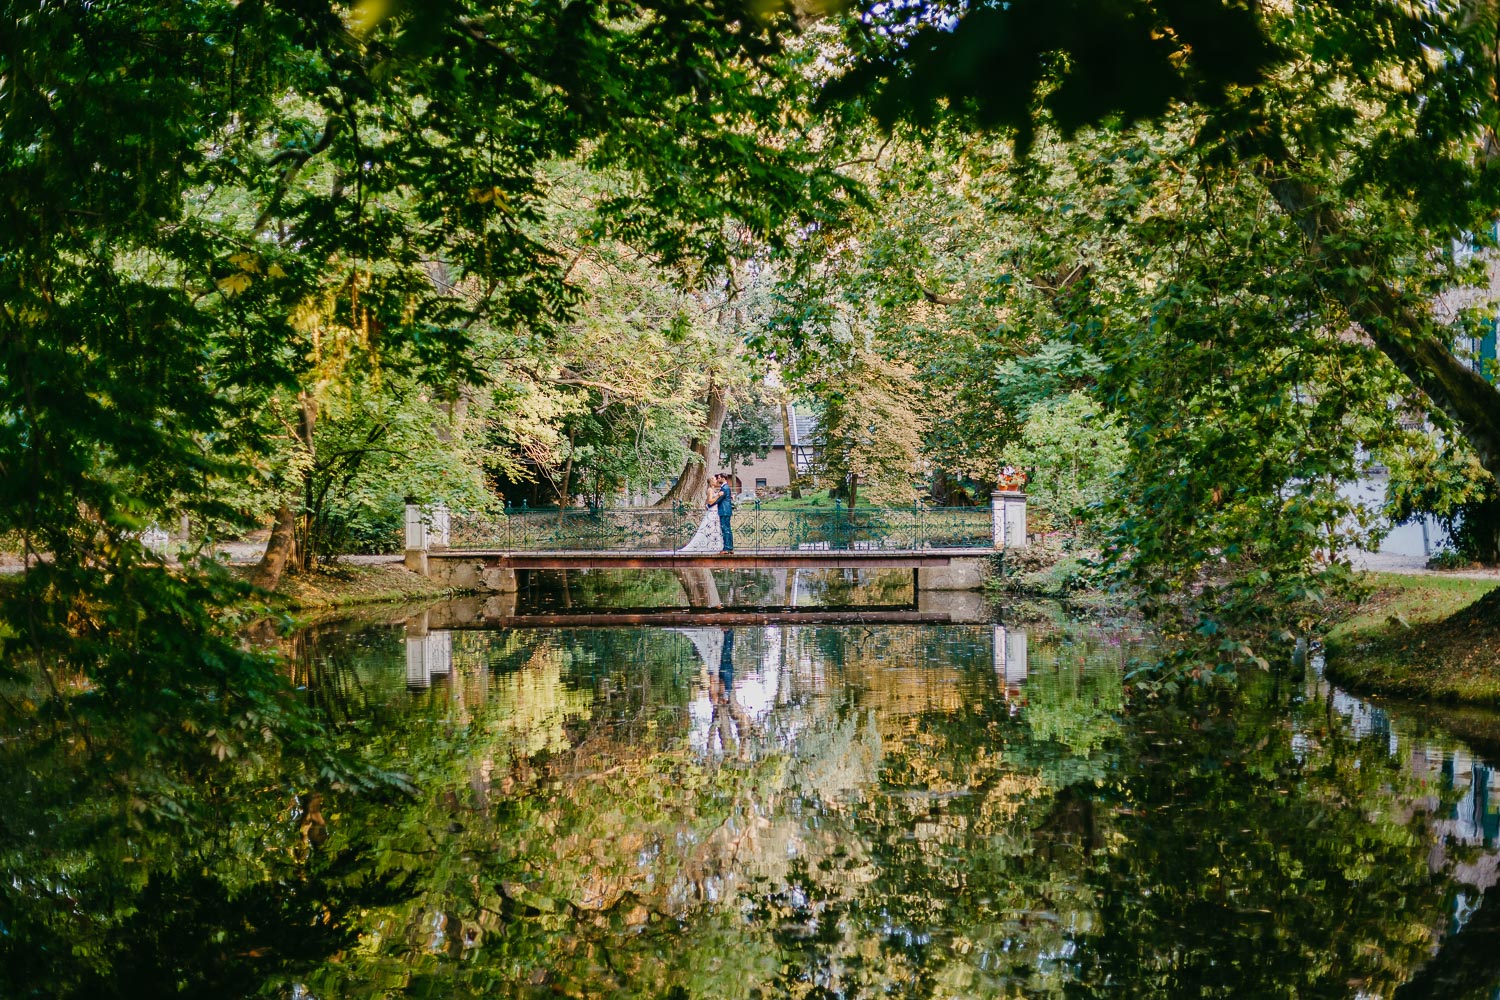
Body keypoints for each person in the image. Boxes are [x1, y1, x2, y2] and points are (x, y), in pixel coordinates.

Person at [711, 473, 734, 553]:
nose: (718, 479)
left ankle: (726, 548)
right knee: (727, 529)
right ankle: (730, 548)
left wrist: (709, 505)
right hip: (726, 510)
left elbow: (719, 500)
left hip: (724, 511)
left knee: (725, 529)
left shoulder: (724, 488)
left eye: (719, 478)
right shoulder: (725, 487)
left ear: (723, 478)